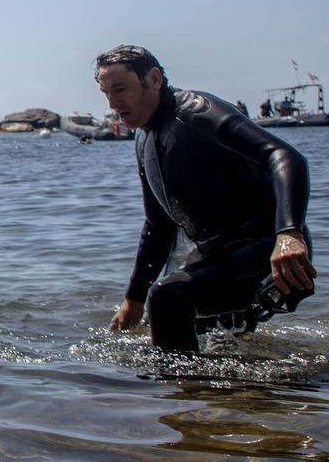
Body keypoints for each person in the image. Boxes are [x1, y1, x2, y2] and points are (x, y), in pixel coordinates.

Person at [96, 45, 316, 354]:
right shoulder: (144, 136)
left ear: (154, 79)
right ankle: (236, 395)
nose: (113, 103)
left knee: (168, 297)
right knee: (191, 324)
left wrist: (289, 235)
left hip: (267, 248)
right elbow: (158, 225)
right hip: (218, 255)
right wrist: (134, 297)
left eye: (120, 89)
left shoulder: (196, 112)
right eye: (106, 93)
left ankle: (183, 394)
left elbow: (284, 156)